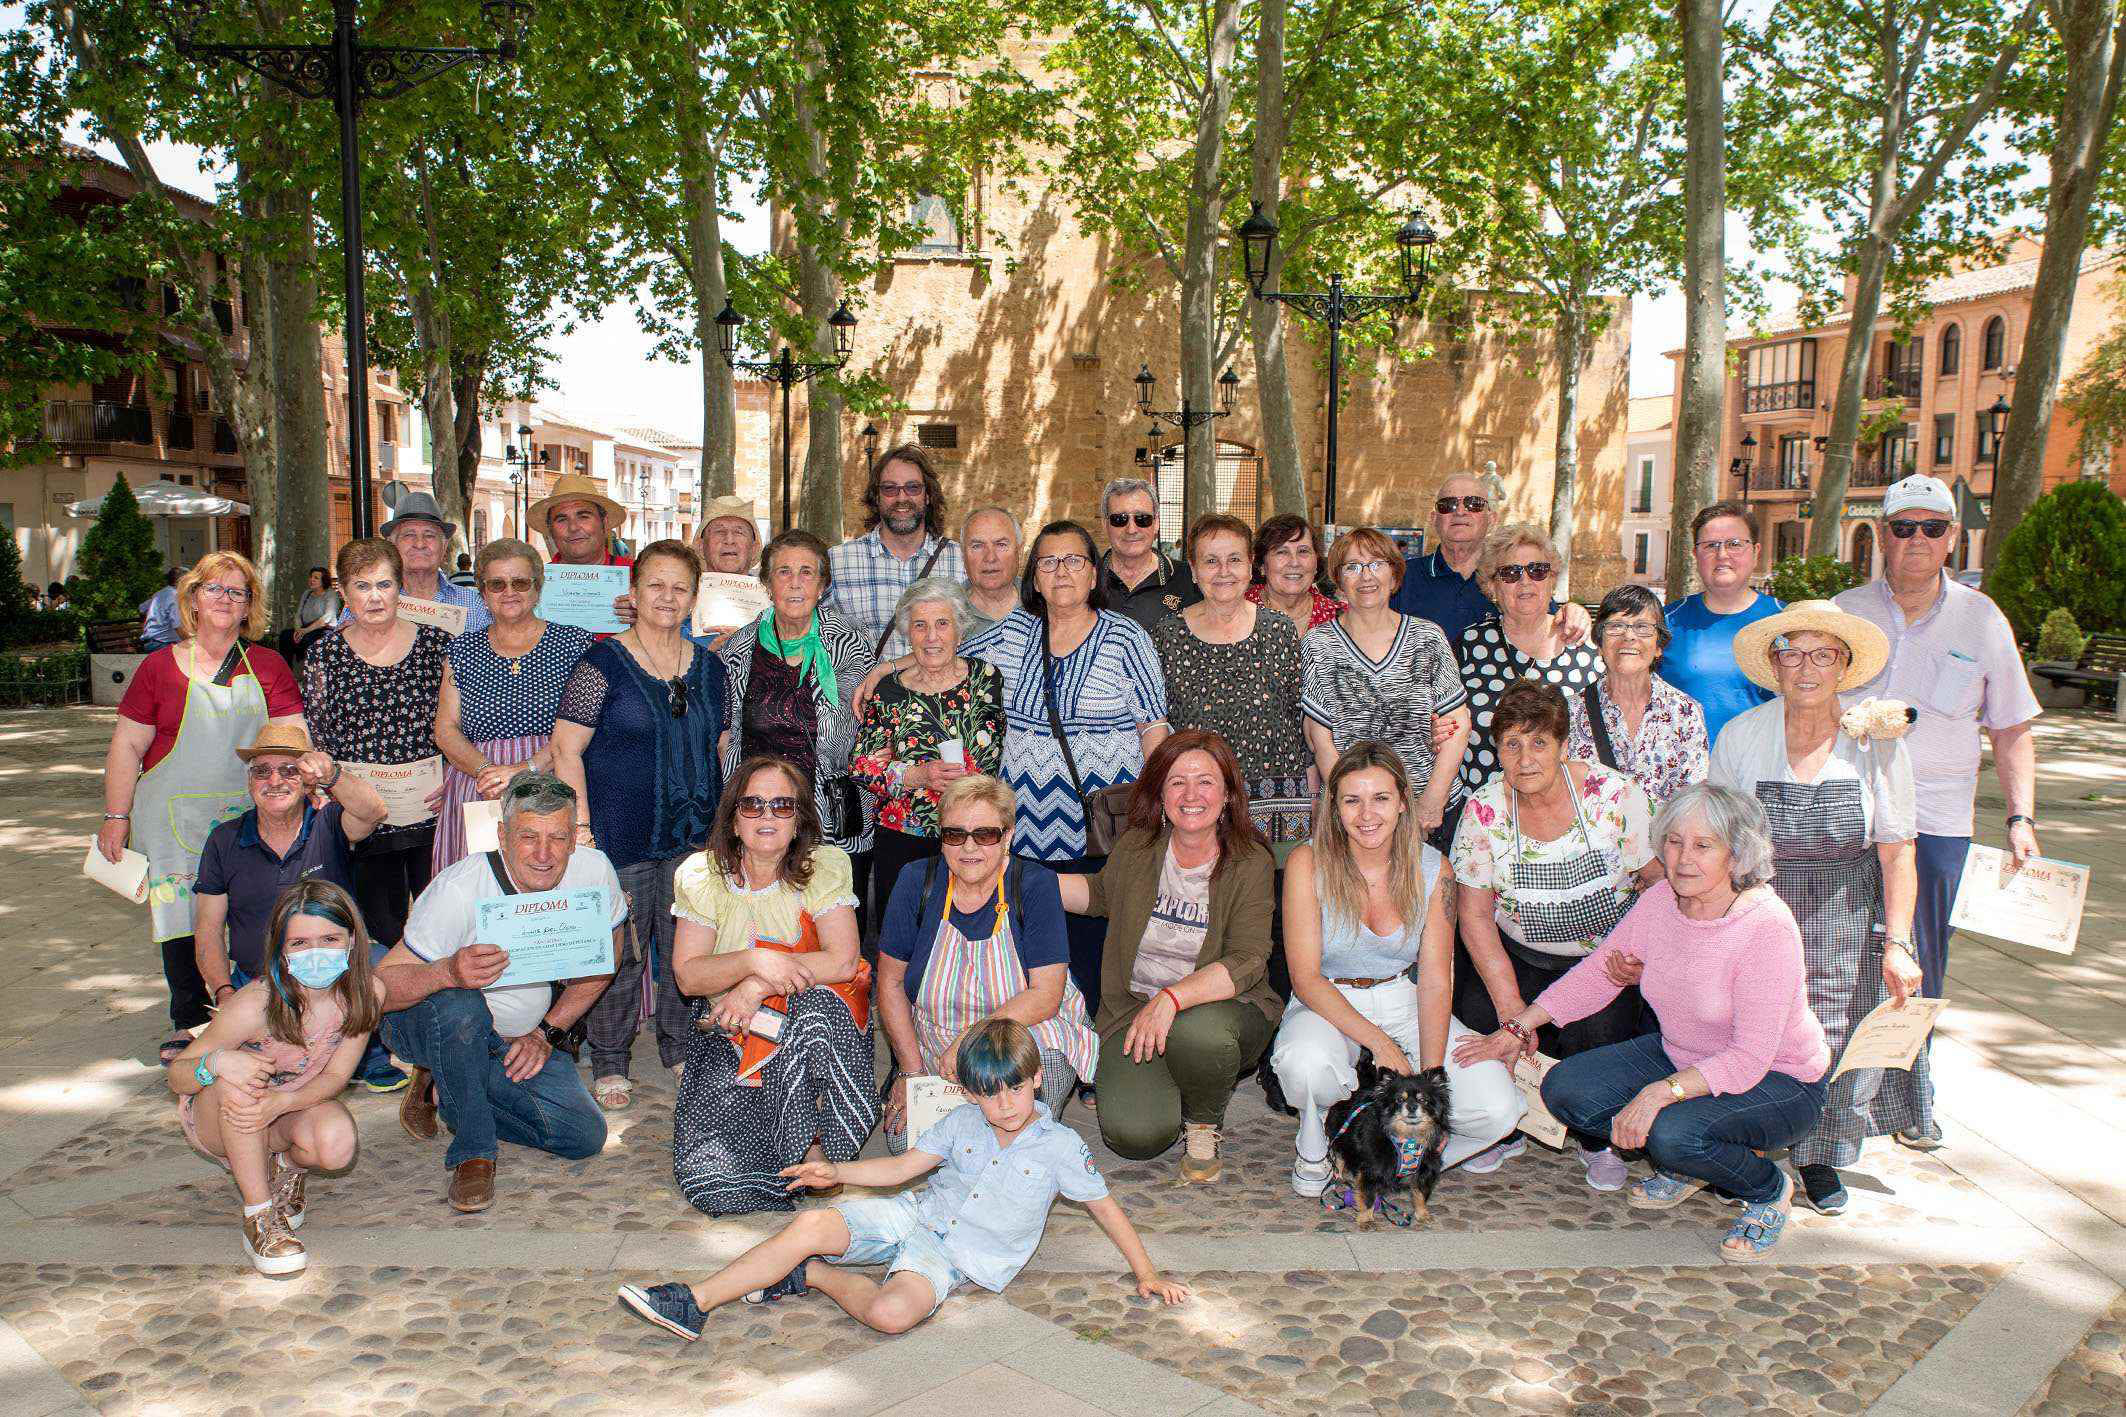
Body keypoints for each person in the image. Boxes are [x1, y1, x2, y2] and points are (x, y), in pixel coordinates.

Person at [617, 1018, 1186, 1343]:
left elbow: (1107, 1208)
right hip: (916, 1213)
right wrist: (835, 1171)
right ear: (968, 1093)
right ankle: (693, 1300)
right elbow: (904, 1168)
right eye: (988, 1094)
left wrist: (1148, 1274)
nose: (1004, 1104)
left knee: (891, 1316)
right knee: (814, 1219)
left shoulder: (1062, 1146)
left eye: (1014, 1089)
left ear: (1037, 1079)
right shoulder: (963, 1120)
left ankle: (810, 1277)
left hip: (958, 1259)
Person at [1461, 785, 1830, 1262]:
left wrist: (1658, 1094)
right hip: (1682, 1052)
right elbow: (1599, 972)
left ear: (1737, 853)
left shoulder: (1766, 927)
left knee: (1671, 1133)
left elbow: (1748, 1057)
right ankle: (1687, 1164)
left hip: (1779, 1080)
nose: (1682, 859)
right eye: (1674, 841)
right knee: (1565, 1089)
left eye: (1703, 845)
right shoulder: (1660, 901)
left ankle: (1766, 1189)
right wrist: (1518, 1027)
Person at [1835, 475, 2041, 1151]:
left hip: (1938, 821)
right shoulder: (1845, 612)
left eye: (1931, 527)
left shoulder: (1982, 620)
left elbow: (2011, 726)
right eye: (1903, 527)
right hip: (1851, 809)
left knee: (1918, 958)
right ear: (1883, 536)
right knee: (1839, 956)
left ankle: (1914, 1092)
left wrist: (2021, 818)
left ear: (1952, 536)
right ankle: (1837, 1099)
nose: (1916, 540)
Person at [1712, 600, 1920, 1216]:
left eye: (1822, 654)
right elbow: (1717, 837)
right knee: (1749, 1032)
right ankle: (1742, 1148)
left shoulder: (1878, 746)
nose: (1806, 667)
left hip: (1848, 920)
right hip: (1759, 913)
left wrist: (1899, 942)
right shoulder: (1742, 737)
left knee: (1834, 1037)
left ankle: (1820, 1156)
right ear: (1773, 666)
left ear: (1845, 666)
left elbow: (1898, 851)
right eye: (1792, 653)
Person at [1271, 742, 1523, 1198]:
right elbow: (1305, 977)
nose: (1367, 814)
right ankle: (1316, 1148)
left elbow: (1434, 977)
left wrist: (1427, 1082)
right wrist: (1381, 1044)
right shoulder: (1308, 863)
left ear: (1403, 801)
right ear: (1334, 806)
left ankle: (1410, 1159)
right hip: (1329, 997)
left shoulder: (1433, 869)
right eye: (1352, 800)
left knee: (1498, 1108)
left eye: (1380, 798)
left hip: (1403, 996)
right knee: (1305, 1065)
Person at [377, 772, 619, 1213]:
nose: (544, 854)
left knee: (583, 1136)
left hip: (517, 1035)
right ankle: (474, 1150)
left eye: (558, 838)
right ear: (502, 836)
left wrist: (546, 1033)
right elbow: (379, 990)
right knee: (462, 1006)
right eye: (528, 837)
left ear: (574, 837)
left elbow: (607, 957)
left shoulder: (593, 870)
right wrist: (447, 971)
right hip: (435, 1022)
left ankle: (451, 1088)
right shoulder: (459, 888)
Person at [1449, 679, 1656, 1191]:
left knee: (1598, 1038)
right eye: (1512, 744)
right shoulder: (1483, 810)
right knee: (1477, 1023)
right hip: (1516, 954)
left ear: (1565, 747)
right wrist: (1510, 1009)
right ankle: (1507, 1124)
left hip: (1602, 961)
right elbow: (1474, 915)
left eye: (1539, 742)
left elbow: (1659, 885)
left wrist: (1639, 956)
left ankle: (1596, 1138)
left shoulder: (1615, 797)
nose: (1525, 758)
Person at [101, 551, 304, 1064]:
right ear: (192, 599)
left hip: (249, 810)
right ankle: (189, 1017)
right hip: (170, 816)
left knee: (259, 910)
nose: (224, 599)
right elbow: (127, 745)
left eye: (236, 592)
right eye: (213, 588)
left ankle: (260, 1012)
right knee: (179, 915)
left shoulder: (267, 665)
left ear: (248, 606)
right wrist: (115, 817)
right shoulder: (158, 667)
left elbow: (293, 732)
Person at [1054, 730, 1280, 1180]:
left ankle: (1202, 1122)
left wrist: (1171, 999)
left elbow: (1249, 958)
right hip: (1134, 1010)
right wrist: (1015, 877)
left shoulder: (1249, 860)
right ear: (1160, 792)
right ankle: (1183, 1080)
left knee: (1202, 1034)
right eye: (1177, 782)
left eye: (1206, 781)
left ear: (1228, 793)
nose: (1191, 794)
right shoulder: (1138, 847)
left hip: (1221, 1011)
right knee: (1134, 1139)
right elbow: (1098, 895)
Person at [553, 540, 729, 1109]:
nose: (667, 597)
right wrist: (581, 830)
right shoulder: (601, 663)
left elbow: (718, 744)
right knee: (622, 949)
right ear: (633, 592)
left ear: (694, 598)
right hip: (619, 833)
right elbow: (565, 749)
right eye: (656, 584)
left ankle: (680, 1050)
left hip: (695, 837)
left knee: (687, 950)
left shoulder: (709, 668)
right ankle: (610, 1059)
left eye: (680, 587)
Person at [964, 519, 1170, 1005]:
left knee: (1098, 945)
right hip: (1027, 827)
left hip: (1105, 827)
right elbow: (944, 662)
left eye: (1074, 560)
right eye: (1048, 562)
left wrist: (1162, 812)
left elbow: (1154, 728)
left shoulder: (1126, 638)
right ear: (1033, 577)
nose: (1061, 572)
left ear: (1093, 573)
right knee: (1035, 948)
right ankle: (1050, 1052)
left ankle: (1100, 1050)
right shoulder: (1011, 634)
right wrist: (890, 667)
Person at [668, 755, 876, 1216]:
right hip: (733, 1034)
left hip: (807, 1029)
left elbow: (842, 961)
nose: (767, 816)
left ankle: (813, 1146)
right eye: (753, 805)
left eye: (782, 806)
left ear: (800, 817)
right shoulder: (702, 875)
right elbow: (689, 975)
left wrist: (758, 983)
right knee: (714, 1184)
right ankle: (774, 1154)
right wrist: (754, 961)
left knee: (816, 1011)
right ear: (733, 817)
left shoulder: (824, 866)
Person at [168, 880, 383, 1275]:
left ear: (353, 940)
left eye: (330, 938)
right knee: (241, 1080)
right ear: (281, 949)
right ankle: (260, 1216)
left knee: (336, 1145)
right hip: (222, 1117)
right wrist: (215, 1063)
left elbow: (336, 1074)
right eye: (300, 943)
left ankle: (282, 1165)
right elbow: (179, 1077)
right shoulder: (256, 1004)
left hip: (284, 1109)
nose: (316, 953)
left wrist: (282, 1102)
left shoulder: (367, 992)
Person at [875, 775, 1099, 1146]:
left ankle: (1031, 1141)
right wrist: (911, 1072)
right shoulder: (917, 881)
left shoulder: (1034, 884)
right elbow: (890, 982)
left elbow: (1046, 995)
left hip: (1022, 1031)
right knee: (905, 1144)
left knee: (1047, 1064)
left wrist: (969, 1041)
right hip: (940, 1044)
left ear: (1008, 836)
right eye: (955, 835)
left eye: (985, 835)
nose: (969, 848)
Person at [304, 538, 451, 972]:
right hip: (361, 815)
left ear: (400, 587)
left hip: (430, 808)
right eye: (361, 586)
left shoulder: (436, 645)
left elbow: (456, 723)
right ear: (344, 593)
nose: (374, 596)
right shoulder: (324, 653)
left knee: (438, 920)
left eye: (384, 584)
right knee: (380, 926)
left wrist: (453, 777)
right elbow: (318, 732)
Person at [193, 723, 387, 1010]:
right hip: (257, 985)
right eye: (262, 771)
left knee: (383, 970)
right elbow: (208, 929)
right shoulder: (224, 839)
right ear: (250, 782)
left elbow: (375, 811)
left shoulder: (329, 823)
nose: (274, 781)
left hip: (337, 982)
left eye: (289, 770)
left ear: (308, 783)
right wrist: (224, 992)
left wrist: (332, 775)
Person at [1299, 527, 1470, 847]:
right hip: (1356, 817)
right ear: (1338, 583)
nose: (1366, 576)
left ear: (1394, 576)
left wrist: (1432, 801)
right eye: (1352, 566)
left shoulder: (1427, 637)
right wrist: (1350, 808)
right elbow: (1321, 740)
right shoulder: (1318, 644)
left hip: (1424, 806)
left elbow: (1458, 725)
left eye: (1377, 564)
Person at [430, 538, 594, 873]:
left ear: (537, 588)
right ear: (483, 592)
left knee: (549, 882)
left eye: (520, 582)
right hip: (481, 786)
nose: (509, 592)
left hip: (554, 778)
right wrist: (487, 772)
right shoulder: (461, 650)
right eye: (497, 584)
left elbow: (584, 725)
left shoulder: (575, 643)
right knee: (481, 891)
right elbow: (446, 728)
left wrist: (525, 770)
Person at [850, 577, 1006, 920]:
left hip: (971, 836)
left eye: (942, 624)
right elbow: (862, 766)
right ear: (908, 633)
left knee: (969, 933)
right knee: (903, 941)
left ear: (959, 631)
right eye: (920, 625)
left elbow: (996, 756)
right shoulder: (890, 691)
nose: (932, 636)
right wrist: (917, 774)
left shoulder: (986, 679)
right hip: (903, 839)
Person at [1153, 514, 1313, 846]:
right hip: (1197, 812)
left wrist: (1314, 800)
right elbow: (1158, 727)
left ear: (1251, 566)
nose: (1224, 571)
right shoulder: (1168, 636)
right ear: (1194, 571)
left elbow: (1302, 722)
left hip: (1279, 814)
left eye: (1234, 559)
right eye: (1211, 561)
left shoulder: (1279, 631)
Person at [717, 529, 876, 863]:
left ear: (822, 587)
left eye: (807, 572)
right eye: (783, 572)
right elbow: (726, 738)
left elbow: (873, 728)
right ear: (768, 584)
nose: (795, 582)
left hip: (833, 819)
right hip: (761, 819)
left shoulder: (853, 642)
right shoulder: (738, 649)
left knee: (834, 913)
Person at [1457, 522, 1605, 805]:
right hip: (1486, 813)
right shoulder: (1468, 645)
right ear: (1491, 586)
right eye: (1510, 573)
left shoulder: (1586, 649)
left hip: (1568, 813)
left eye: (1537, 570)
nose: (1525, 581)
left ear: (1552, 579)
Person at [1393, 469, 1590, 647]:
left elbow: (1549, 621)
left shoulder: (1513, 577)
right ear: (1434, 518)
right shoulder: (1401, 578)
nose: (1460, 511)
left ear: (1492, 519)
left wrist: (1572, 613)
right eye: (1448, 505)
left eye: (1474, 504)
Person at [1565, 584, 1709, 807]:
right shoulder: (1570, 714)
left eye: (1643, 627)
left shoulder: (1685, 713)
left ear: (1659, 646)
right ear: (1600, 644)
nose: (1629, 636)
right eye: (1615, 627)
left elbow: (1693, 803)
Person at [828, 444, 966, 659]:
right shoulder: (837, 564)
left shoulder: (961, 561)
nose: (902, 498)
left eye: (913, 488)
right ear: (877, 497)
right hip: (866, 692)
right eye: (890, 488)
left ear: (928, 496)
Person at [1662, 502, 1782, 746]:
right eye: (1710, 546)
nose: (1722, 555)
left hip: (1759, 772)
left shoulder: (1786, 621)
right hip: (1685, 775)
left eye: (1735, 544)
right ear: (1695, 555)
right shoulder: (1665, 621)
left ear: (1756, 551)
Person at [344, 493, 490, 636]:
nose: (420, 544)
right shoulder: (363, 603)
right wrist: (350, 635)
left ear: (444, 546)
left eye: (429, 535)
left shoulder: (475, 605)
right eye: (409, 535)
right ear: (392, 545)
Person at [528, 473, 635, 629]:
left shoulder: (638, 577)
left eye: (583, 516)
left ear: (604, 524)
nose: (573, 527)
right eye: (562, 519)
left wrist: (645, 617)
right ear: (551, 532)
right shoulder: (532, 584)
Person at [1096, 476, 1199, 629]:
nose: (1131, 530)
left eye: (1142, 519)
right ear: (1105, 525)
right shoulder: (1086, 579)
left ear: (1156, 523)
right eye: (1119, 519)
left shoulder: (1190, 579)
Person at [683, 494, 765, 649]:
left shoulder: (774, 602)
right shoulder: (679, 597)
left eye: (739, 532)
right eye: (719, 531)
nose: (729, 540)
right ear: (701, 546)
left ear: (753, 549)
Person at [1248, 514, 1344, 631]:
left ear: (1316, 563)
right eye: (1282, 552)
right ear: (1261, 564)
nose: (1294, 562)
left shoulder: (1340, 618)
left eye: (1303, 551)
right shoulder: (1237, 613)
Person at [960, 506, 1024, 637]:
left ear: (1020, 552)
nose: (990, 557)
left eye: (1001, 544)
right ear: (963, 554)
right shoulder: (946, 613)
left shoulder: (1044, 606)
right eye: (977, 546)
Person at [292, 566, 341, 667]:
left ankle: (310, 674)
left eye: (316, 578)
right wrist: (298, 630)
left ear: (324, 581)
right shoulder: (307, 593)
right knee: (285, 636)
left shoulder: (331, 594)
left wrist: (304, 631)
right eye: (311, 577)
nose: (311, 580)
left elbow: (327, 619)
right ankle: (288, 671)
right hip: (305, 628)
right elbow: (298, 614)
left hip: (323, 630)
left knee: (308, 640)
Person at [138, 568, 182, 652]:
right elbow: (177, 626)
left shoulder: (161, 593)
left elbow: (141, 608)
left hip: (151, 642)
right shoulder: (175, 596)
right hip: (162, 645)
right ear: (181, 581)